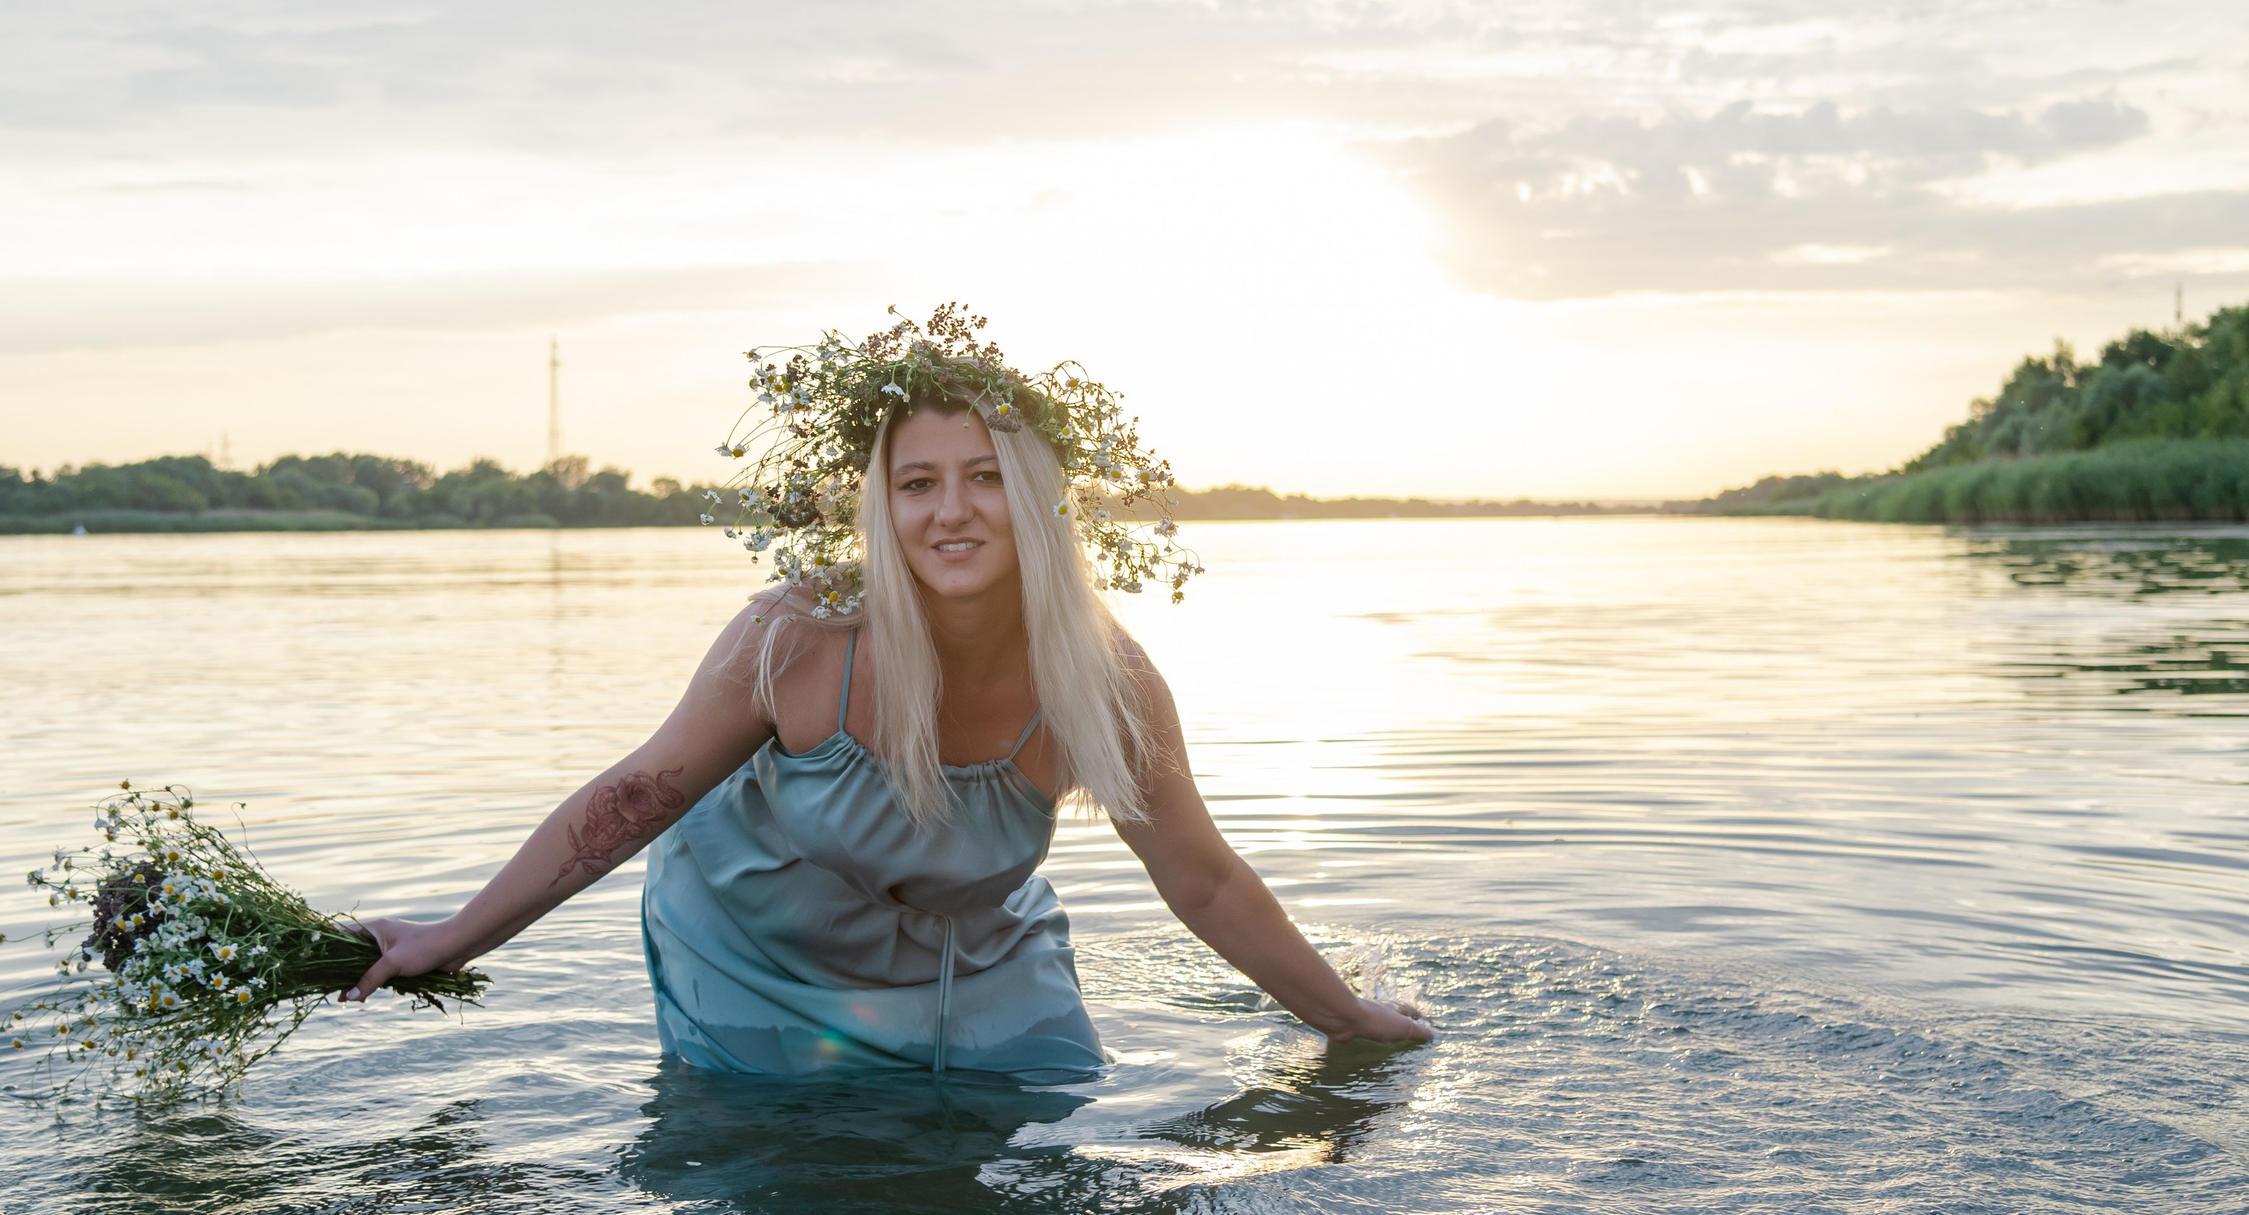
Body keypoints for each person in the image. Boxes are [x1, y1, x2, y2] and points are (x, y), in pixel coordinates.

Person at [345, 311, 1433, 1076]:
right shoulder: (798, 638)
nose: (949, 511)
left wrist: (1345, 1019)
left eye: (985, 477)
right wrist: (456, 934)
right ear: (883, 504)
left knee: (1052, 1093)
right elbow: (636, 795)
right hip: (758, 955)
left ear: (1041, 499)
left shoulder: (1105, 683)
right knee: (814, 1181)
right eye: (917, 482)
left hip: (973, 956)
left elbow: (1203, 881)